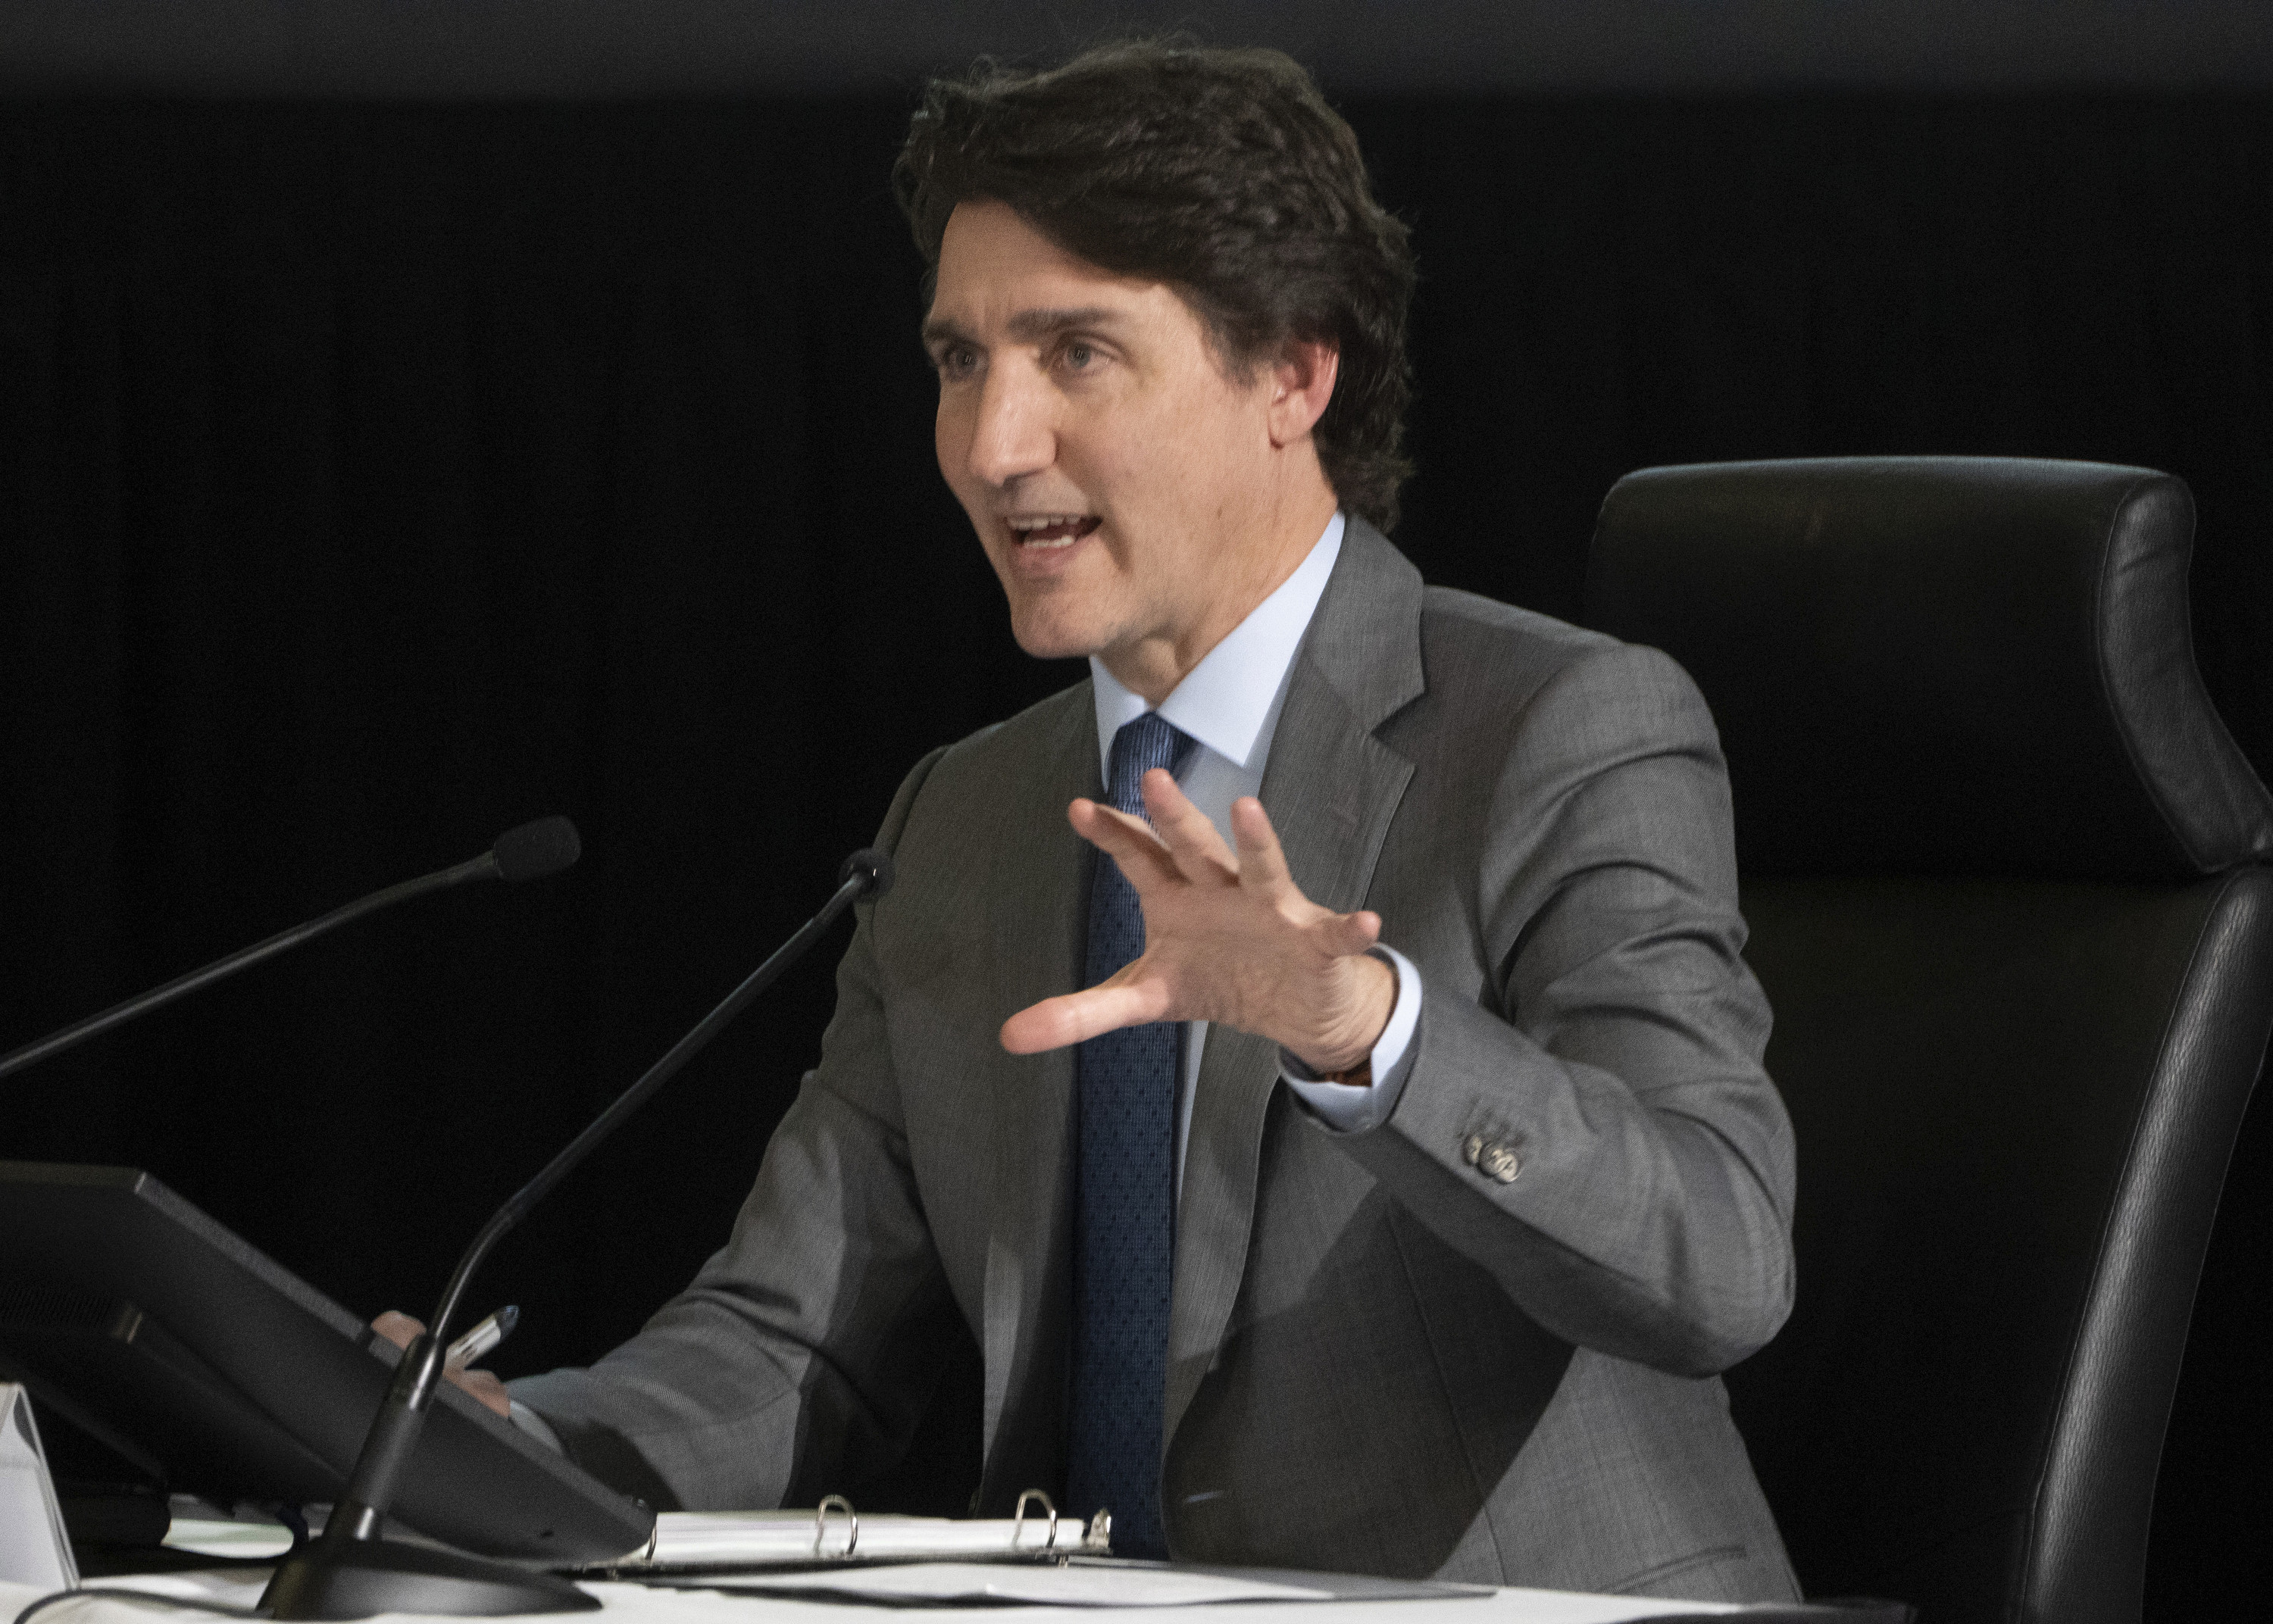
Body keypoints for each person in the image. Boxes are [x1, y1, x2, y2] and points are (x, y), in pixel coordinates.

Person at [384, 40, 1800, 1601]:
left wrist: (1364, 1027)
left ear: (1292, 374)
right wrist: (506, 1447)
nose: (993, 446)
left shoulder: (1559, 731)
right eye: (958, 361)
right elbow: (794, 1340)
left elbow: (1718, 1257)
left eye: (1076, 353)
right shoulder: (969, 813)